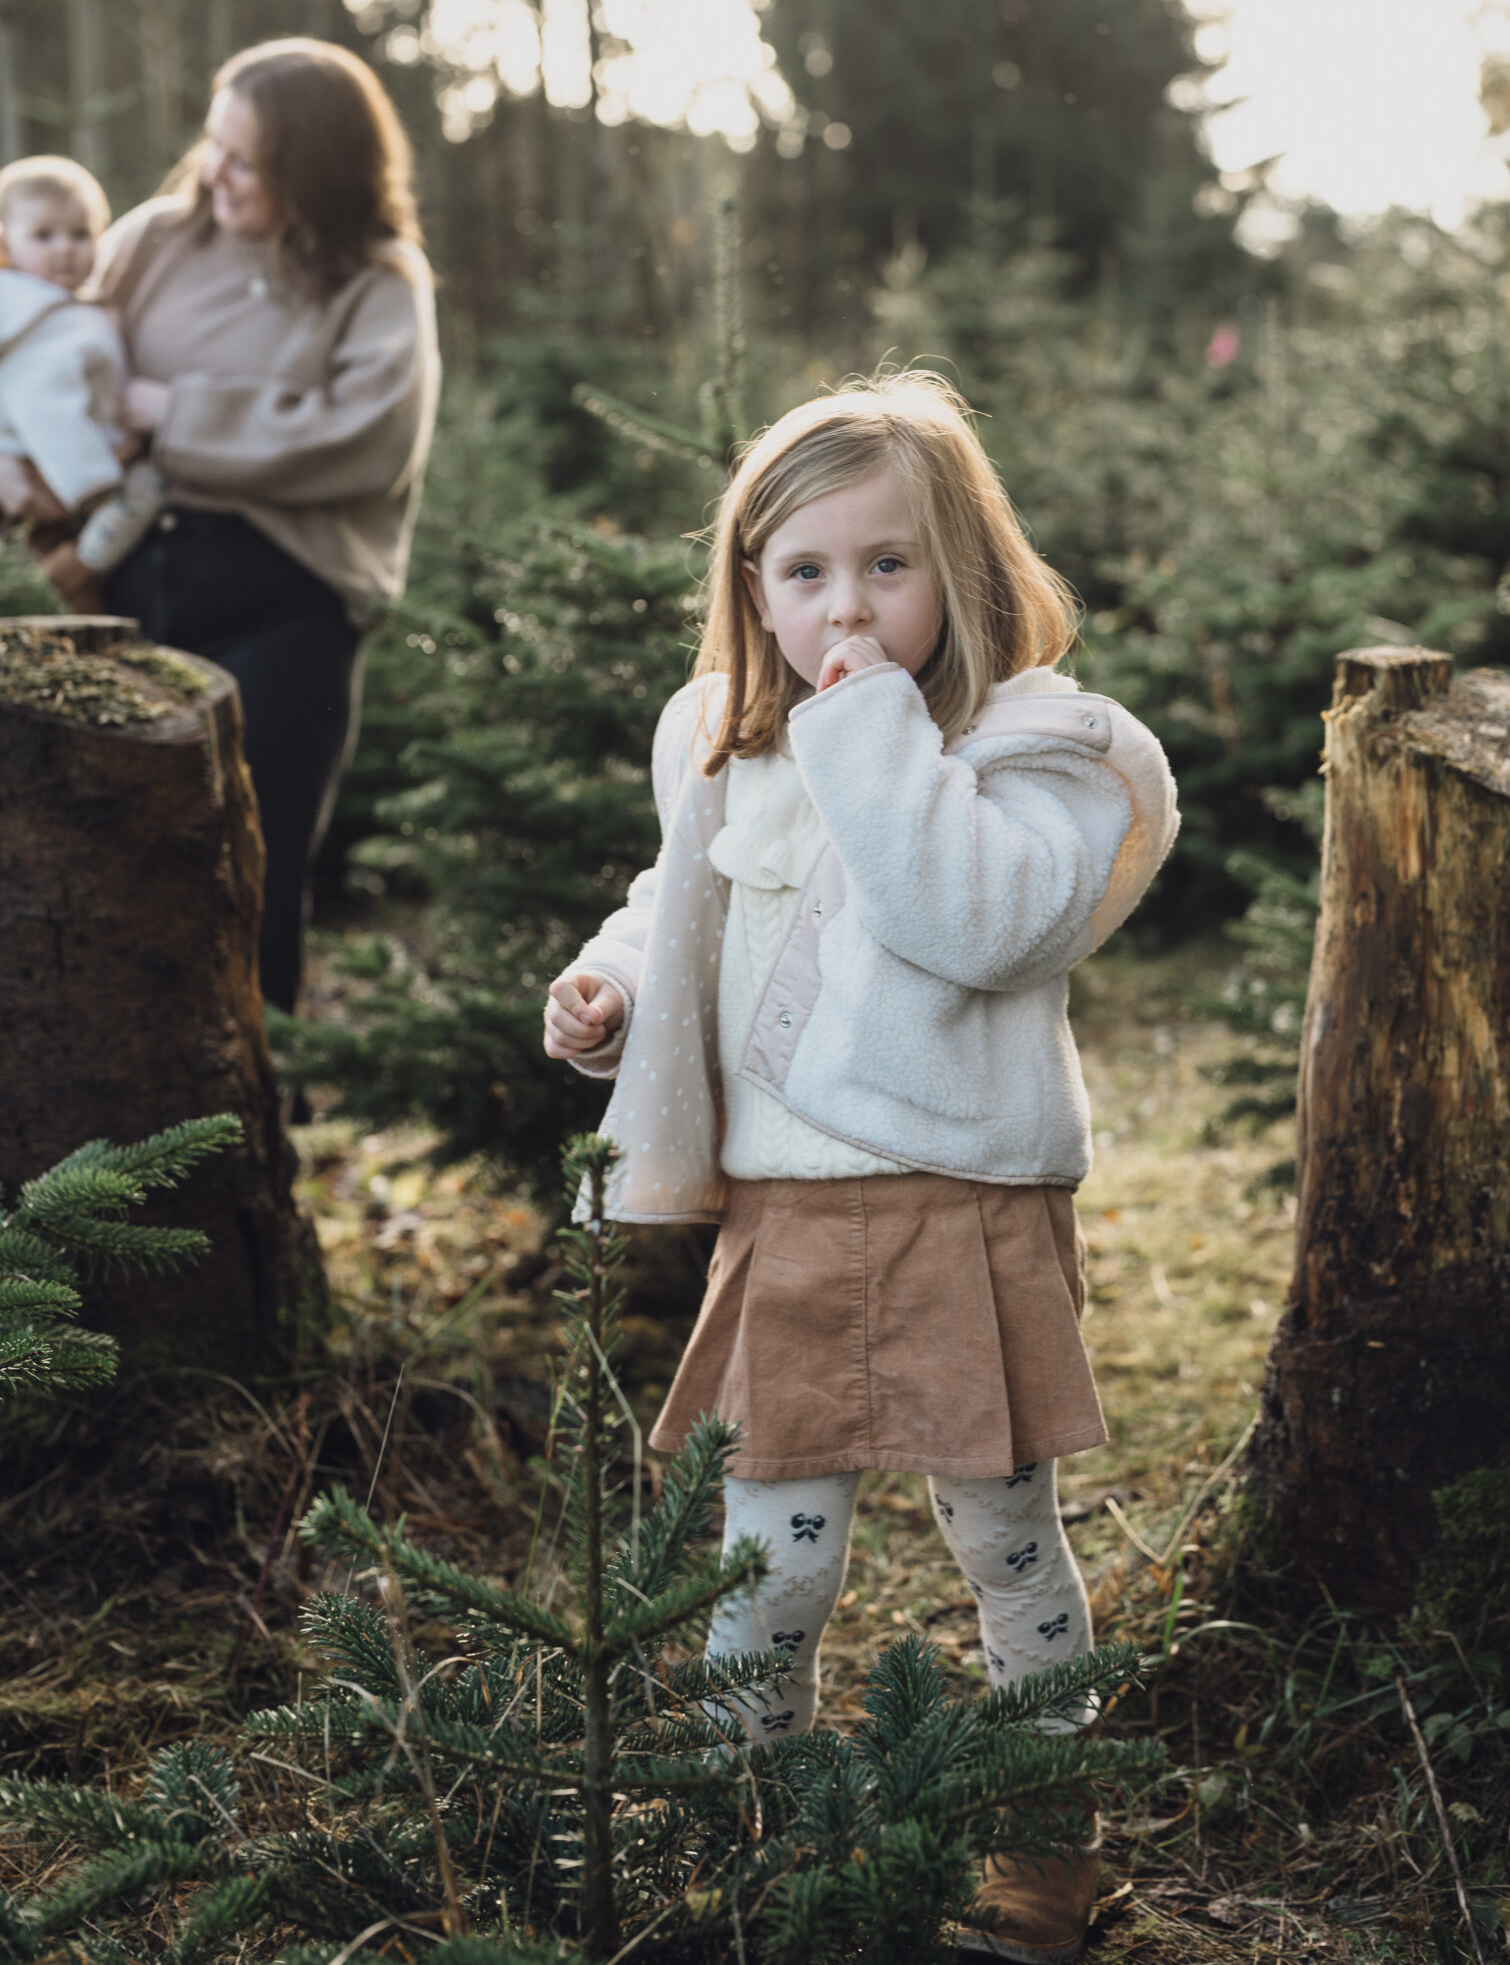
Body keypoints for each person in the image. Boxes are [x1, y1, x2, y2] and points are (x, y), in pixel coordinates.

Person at [544, 370, 1178, 1965]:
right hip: (789, 1211)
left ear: (958, 570)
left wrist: (875, 725)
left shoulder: (1035, 751)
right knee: (768, 1559)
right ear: (750, 587)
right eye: (804, 570)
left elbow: (971, 918)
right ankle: (747, 1835)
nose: (845, 606)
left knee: (1003, 1538)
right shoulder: (723, 744)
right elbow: (684, 904)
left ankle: (1046, 1844)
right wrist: (610, 987)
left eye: (887, 565)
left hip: (962, 1201)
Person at [92, 38, 441, 1015]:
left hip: (289, 610)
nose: (217, 173)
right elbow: (62, 354)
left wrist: (179, 414)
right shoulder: (155, 239)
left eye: (247, 160)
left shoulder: (379, 280)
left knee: (254, 875)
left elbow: (365, 441)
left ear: (317, 167)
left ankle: (260, 1094)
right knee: (112, 872)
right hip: (132, 589)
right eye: (215, 145)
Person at [0, 154, 167, 603]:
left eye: (80, 233)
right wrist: (94, 487)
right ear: (5, 246)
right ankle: (70, 572)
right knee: (148, 490)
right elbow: (47, 408)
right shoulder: (48, 321)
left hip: (63, 469)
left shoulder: (56, 310)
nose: (66, 248)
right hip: (62, 476)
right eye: (44, 235)